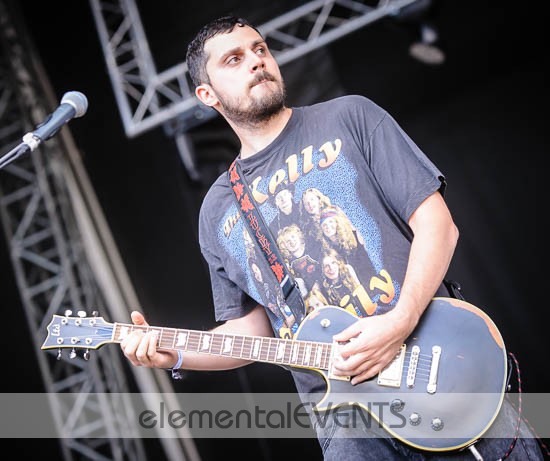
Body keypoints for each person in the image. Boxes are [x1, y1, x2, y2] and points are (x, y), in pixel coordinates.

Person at [120, 15, 544, 460]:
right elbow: (255, 328)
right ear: (207, 95)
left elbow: (438, 225)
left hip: (440, 366)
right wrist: (175, 353)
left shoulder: (350, 116)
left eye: (260, 49)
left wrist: (399, 322)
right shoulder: (218, 209)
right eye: (234, 59)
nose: (256, 62)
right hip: (349, 422)